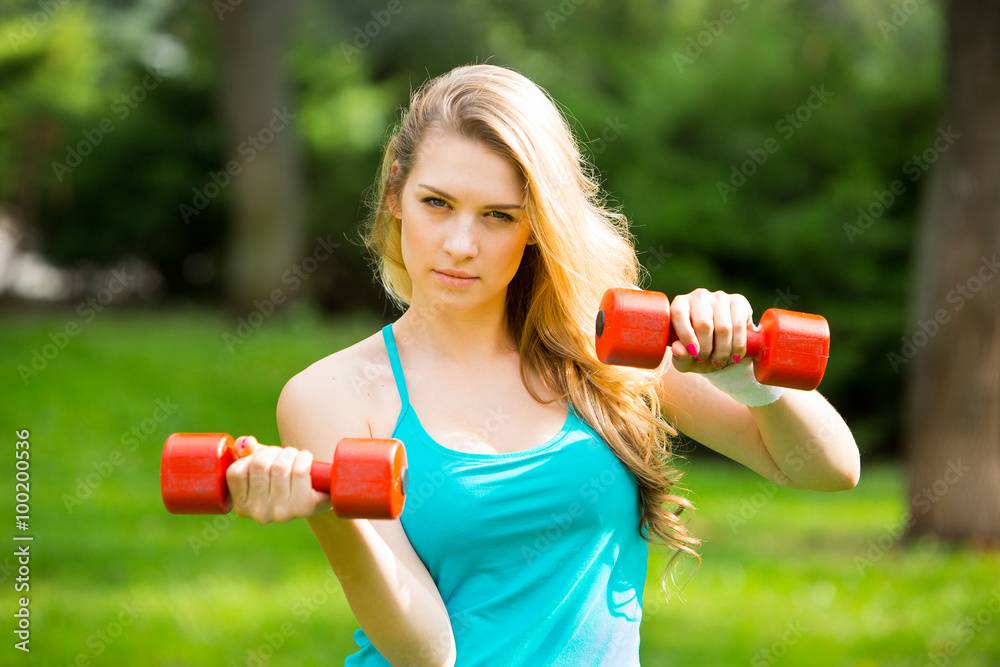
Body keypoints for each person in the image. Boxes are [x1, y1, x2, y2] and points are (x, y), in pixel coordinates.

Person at [225, 64, 860, 667]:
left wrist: (747, 380)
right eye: (436, 203)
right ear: (395, 193)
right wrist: (333, 516)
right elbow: (425, 652)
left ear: (536, 225)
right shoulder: (333, 394)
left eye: (498, 215)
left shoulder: (602, 352)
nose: (460, 244)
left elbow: (831, 470)